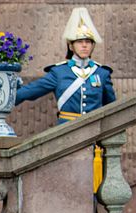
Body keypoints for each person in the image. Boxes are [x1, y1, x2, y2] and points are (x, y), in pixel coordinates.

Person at [15, 7, 115, 192]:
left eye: (88, 42)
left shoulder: (102, 73)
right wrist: (5, 94)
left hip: (94, 136)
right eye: (80, 42)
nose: (85, 45)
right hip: (66, 132)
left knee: (92, 188)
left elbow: (112, 107)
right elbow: (30, 91)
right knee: (68, 183)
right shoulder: (59, 72)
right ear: (71, 45)